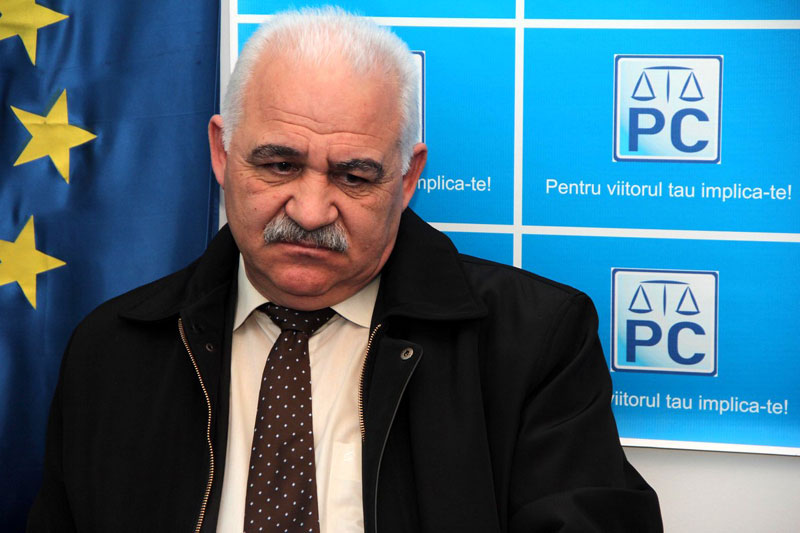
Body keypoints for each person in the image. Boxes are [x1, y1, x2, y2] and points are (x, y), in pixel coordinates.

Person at [28, 7, 662, 532]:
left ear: (407, 179)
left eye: (354, 176)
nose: (309, 212)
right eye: (279, 165)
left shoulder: (534, 343)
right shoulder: (113, 351)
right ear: (222, 152)